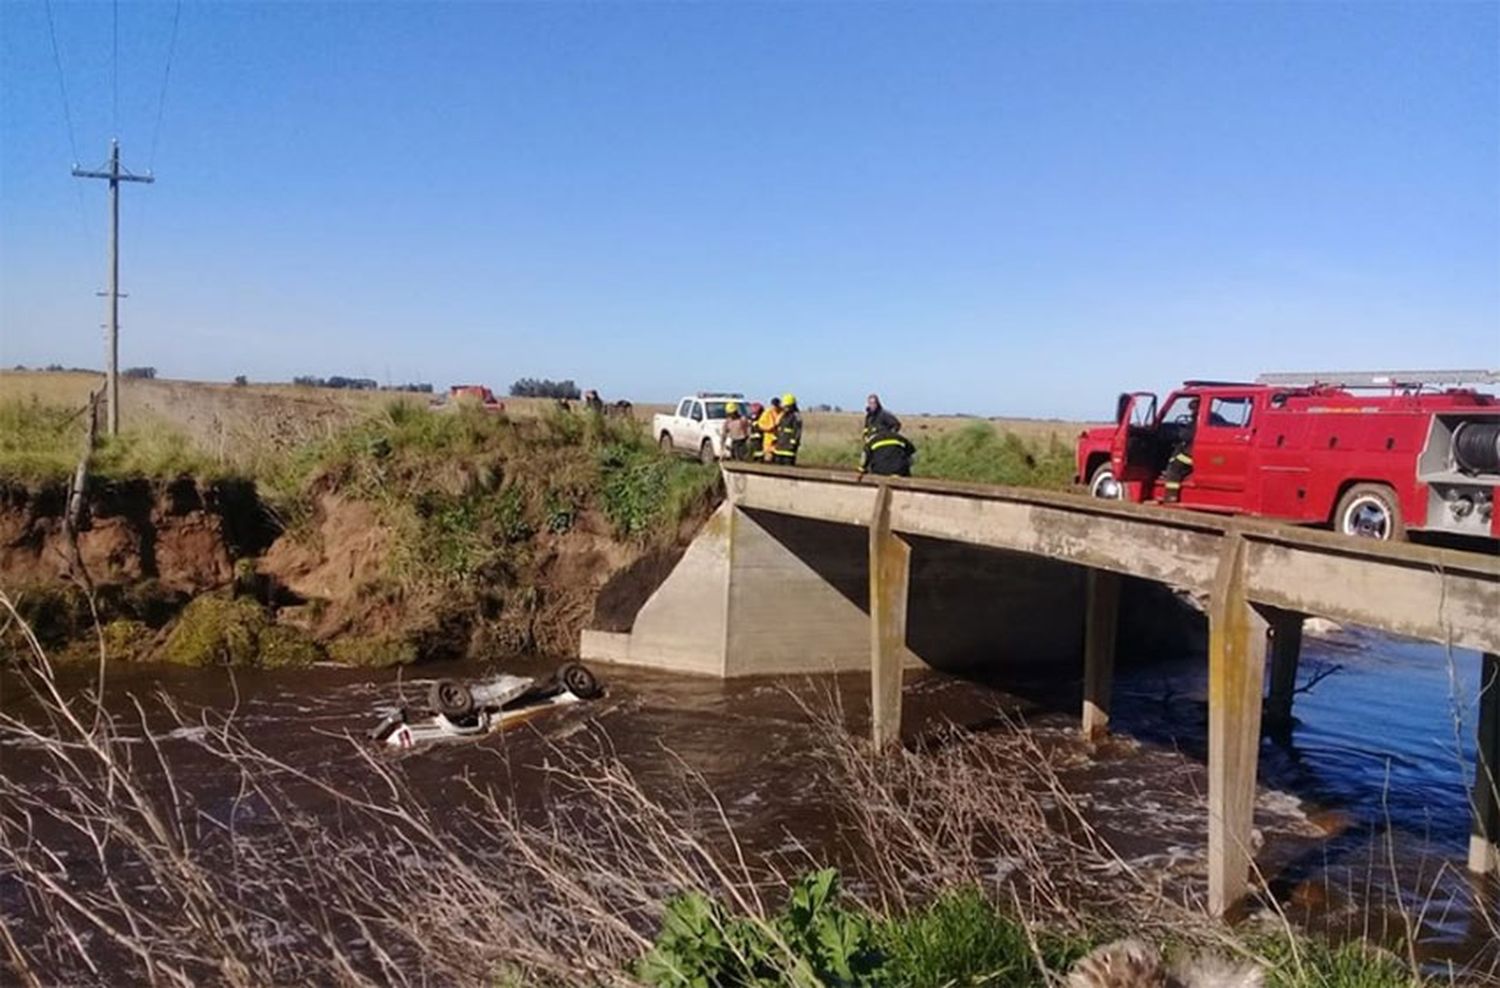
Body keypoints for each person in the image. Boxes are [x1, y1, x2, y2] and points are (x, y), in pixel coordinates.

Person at [1160, 398, 1199, 503]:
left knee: (1175, 466)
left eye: (1192, 409)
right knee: (1177, 454)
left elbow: (1187, 436)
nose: (1191, 412)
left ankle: (1170, 497)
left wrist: (1180, 432)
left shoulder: (1197, 420)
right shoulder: (1211, 417)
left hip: (1193, 455)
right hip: (1195, 452)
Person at [771, 394, 802, 466]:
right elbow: (779, 428)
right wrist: (775, 438)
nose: (784, 408)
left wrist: (793, 443)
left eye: (786, 406)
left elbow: (797, 431)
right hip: (779, 446)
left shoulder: (796, 416)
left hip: (789, 448)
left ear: (791, 406)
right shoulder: (783, 415)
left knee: (788, 467)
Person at [757, 397, 783, 462]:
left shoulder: (782, 412)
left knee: (778, 457)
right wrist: (769, 428)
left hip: (779, 438)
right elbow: (760, 424)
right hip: (769, 438)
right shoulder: (767, 412)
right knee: (768, 457)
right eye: (774, 405)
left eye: (777, 405)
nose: (775, 407)